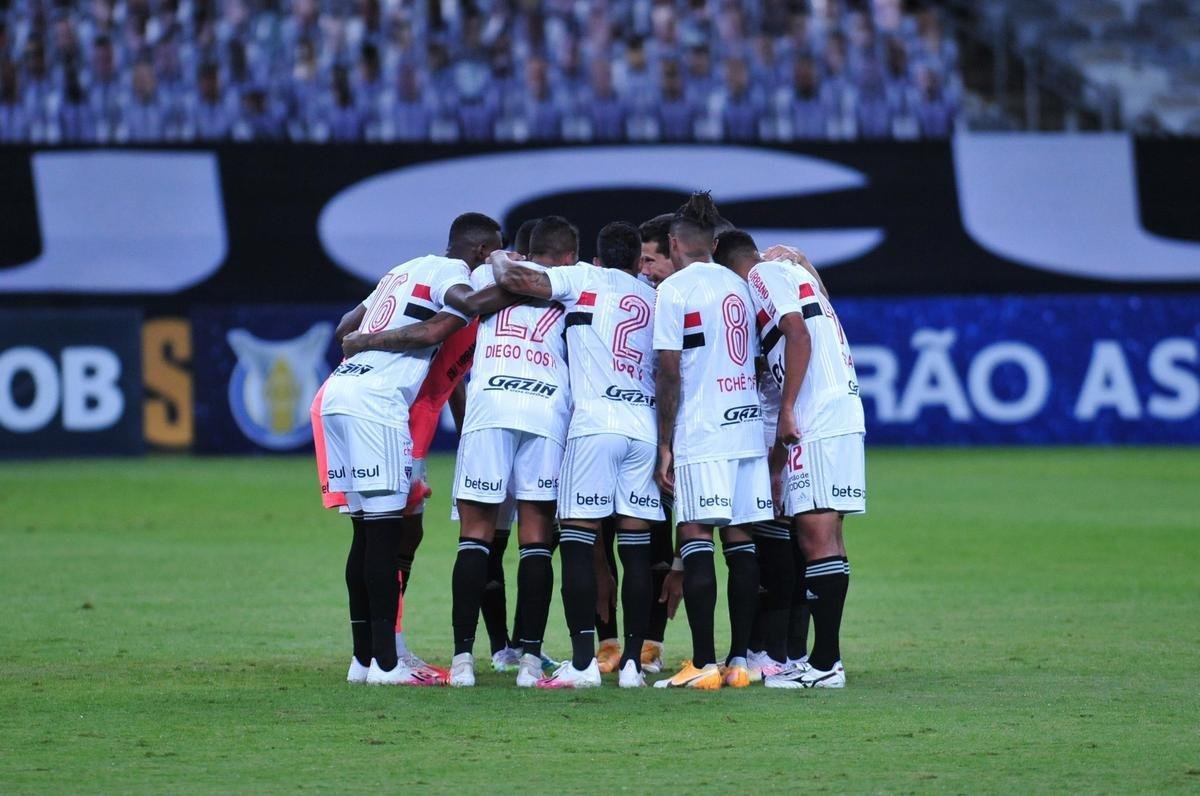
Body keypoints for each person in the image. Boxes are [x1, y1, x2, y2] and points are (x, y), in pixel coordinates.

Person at [319, 212, 508, 685]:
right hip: (377, 405)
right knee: (384, 537)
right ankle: (387, 663)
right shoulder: (452, 275)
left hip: (338, 394)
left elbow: (345, 324)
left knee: (365, 536)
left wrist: (363, 340)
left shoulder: (402, 270)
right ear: (483, 252)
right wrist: (509, 280)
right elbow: (446, 320)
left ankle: (363, 660)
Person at [491, 221, 663, 688]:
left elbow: (518, 280)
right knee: (636, 551)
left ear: (601, 258)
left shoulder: (586, 277)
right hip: (643, 427)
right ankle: (632, 664)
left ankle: (584, 662)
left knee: (579, 544)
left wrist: (498, 257)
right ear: (636, 261)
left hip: (594, 425)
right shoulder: (654, 296)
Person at [715, 232, 865, 688]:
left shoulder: (760, 274)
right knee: (826, 538)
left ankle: (824, 665)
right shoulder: (794, 272)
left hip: (817, 417)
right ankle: (822, 661)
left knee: (816, 537)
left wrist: (786, 409)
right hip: (838, 412)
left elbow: (797, 333)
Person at [447, 216, 577, 687]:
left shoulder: (486, 273)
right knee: (537, 538)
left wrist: (500, 257)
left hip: (490, 407)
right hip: (545, 411)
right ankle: (528, 661)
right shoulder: (570, 285)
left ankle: (462, 662)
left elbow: (474, 293)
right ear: (567, 256)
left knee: (476, 534)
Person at [651, 194, 772, 689]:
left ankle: (702, 664)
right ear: (715, 243)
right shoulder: (741, 286)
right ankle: (739, 662)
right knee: (741, 542)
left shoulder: (674, 290)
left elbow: (669, 370)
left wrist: (665, 443)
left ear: (675, 243)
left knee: (697, 536)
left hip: (703, 429)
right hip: (745, 426)